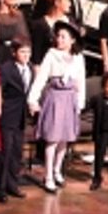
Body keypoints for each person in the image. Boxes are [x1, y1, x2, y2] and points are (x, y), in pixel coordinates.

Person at [26, 21, 86, 193]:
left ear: (72, 40)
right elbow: (41, 78)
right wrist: (33, 99)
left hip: (70, 99)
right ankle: (48, 176)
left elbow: (80, 81)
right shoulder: (51, 54)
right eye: (58, 36)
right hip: (55, 99)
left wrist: (80, 102)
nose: (59, 39)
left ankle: (57, 170)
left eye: (63, 37)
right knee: (52, 138)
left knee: (64, 138)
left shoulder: (78, 58)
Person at [0, 37, 31, 201]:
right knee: (6, 152)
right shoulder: (7, 68)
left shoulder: (29, 68)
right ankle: (0, 189)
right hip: (8, 115)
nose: (26, 55)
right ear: (14, 52)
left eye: (28, 52)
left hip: (21, 116)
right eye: (22, 52)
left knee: (16, 152)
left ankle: (12, 184)